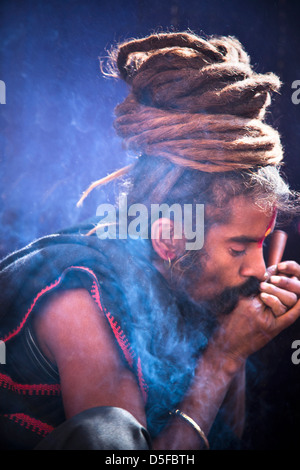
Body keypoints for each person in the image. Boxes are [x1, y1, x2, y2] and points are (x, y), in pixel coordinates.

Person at [1, 31, 300, 451]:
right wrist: (223, 358)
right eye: (239, 248)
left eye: (259, 246)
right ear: (170, 239)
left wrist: (237, 333)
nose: (258, 268)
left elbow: (225, 438)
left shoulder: (186, 282)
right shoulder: (83, 301)